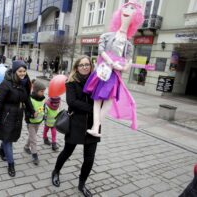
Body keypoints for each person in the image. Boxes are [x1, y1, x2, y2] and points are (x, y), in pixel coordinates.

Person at [83, 0, 144, 136]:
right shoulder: (106, 36)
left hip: (115, 75)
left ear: (137, 16)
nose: (128, 10)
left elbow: (128, 62)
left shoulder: (129, 45)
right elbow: (101, 50)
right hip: (103, 71)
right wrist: (111, 62)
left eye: (132, 8)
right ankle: (95, 127)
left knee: (108, 101)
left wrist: (123, 67)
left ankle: (96, 127)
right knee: (97, 100)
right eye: (126, 6)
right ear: (120, 12)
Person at [51, 56, 99, 197]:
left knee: (89, 158)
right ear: (76, 67)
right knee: (67, 151)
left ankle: (82, 184)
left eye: (87, 64)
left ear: (91, 66)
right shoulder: (71, 81)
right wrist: (92, 108)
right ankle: (56, 171)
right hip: (76, 122)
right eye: (82, 65)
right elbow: (72, 102)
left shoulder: (97, 81)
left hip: (92, 124)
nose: (85, 67)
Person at [0, 60, 35, 177]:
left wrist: (32, 111)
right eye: (20, 71)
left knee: (9, 136)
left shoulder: (24, 83)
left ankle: (1, 150)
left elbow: (27, 99)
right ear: (14, 71)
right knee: (8, 140)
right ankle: (11, 164)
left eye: (24, 71)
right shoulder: (6, 84)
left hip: (18, 115)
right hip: (7, 115)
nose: (23, 73)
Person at [24, 80, 46, 165]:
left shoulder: (43, 98)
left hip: (38, 121)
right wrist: (32, 115)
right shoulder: (30, 99)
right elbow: (26, 112)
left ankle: (26, 147)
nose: (43, 93)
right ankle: (34, 155)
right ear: (36, 90)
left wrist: (43, 115)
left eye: (44, 91)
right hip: (31, 122)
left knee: (32, 136)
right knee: (34, 139)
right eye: (41, 91)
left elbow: (42, 108)